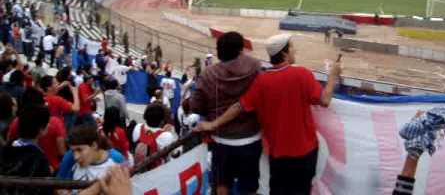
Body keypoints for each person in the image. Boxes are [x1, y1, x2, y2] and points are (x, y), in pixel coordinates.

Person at [196, 34, 342, 195]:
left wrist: (213, 124)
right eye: (292, 47)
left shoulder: (262, 81)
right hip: (305, 152)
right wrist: (333, 76)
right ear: (285, 53)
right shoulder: (302, 74)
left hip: (277, 154)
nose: (295, 50)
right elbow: (325, 100)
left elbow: (238, 106)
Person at [190, 31, 262, 195]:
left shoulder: (208, 74)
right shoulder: (256, 66)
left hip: (221, 140)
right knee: (250, 186)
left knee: (222, 184)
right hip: (251, 137)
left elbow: (196, 106)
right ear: (240, 51)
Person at [7, 88, 67, 172]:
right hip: (49, 171)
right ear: (41, 130)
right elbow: (62, 151)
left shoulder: (15, 123)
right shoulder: (56, 122)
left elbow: (9, 139)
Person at [0, 105, 53, 195]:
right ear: (41, 130)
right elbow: (45, 190)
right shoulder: (38, 158)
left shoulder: (7, 148)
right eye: (47, 123)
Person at [58, 125, 125, 184]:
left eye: (79, 150)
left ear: (94, 145)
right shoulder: (70, 157)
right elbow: (59, 186)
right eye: (73, 151)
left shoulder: (116, 159)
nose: (76, 157)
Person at [132, 103, 177, 168]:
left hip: (139, 169)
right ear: (162, 121)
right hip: (156, 172)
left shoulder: (138, 127)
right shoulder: (167, 136)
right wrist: (165, 132)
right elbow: (171, 155)